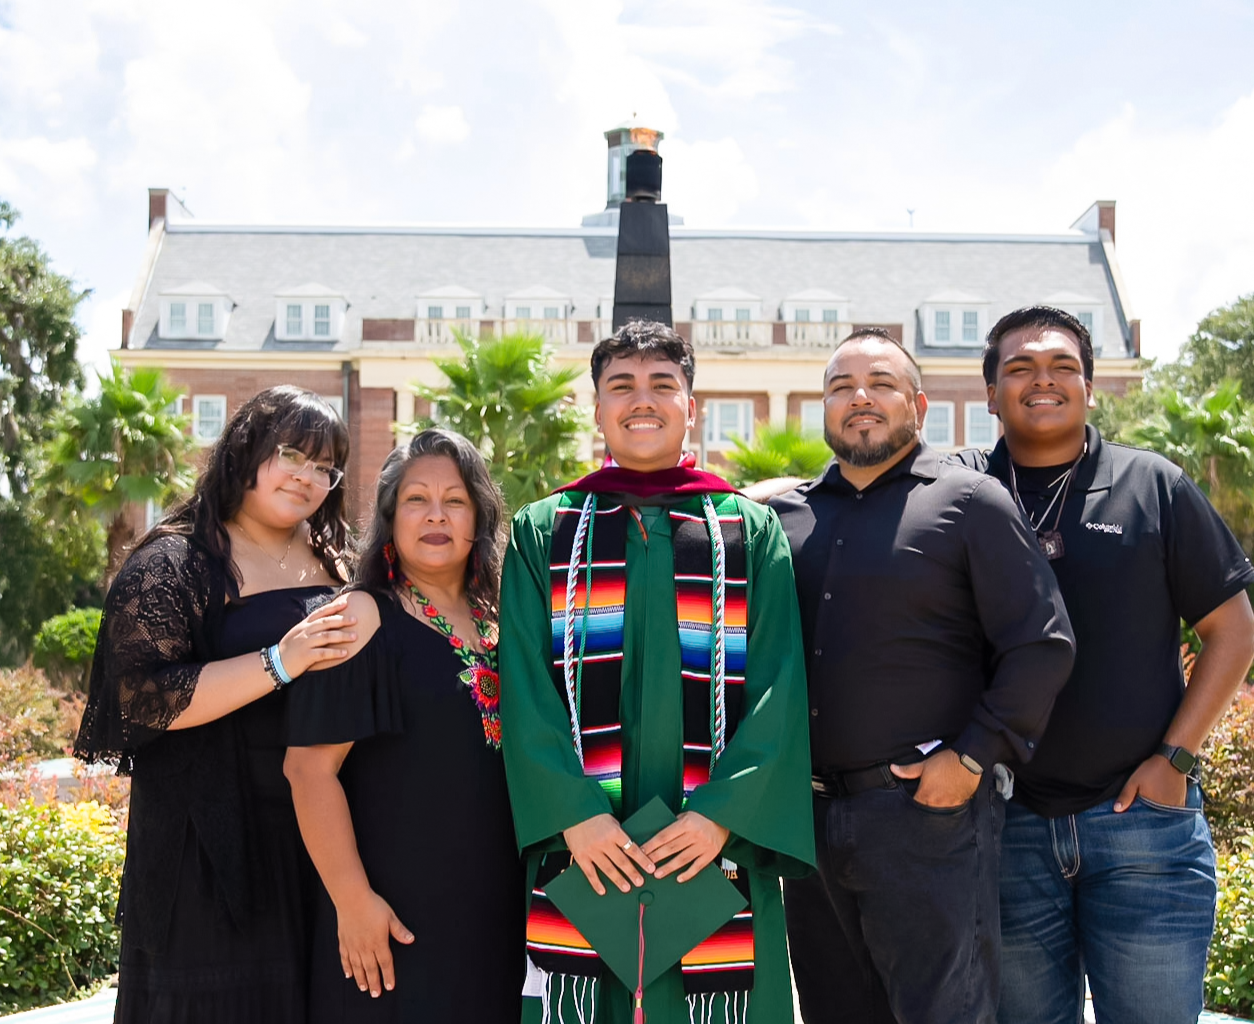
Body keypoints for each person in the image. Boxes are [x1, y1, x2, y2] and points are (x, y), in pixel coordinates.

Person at [499, 320, 815, 1024]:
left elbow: (779, 688)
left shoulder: (743, 529)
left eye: (661, 385)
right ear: (597, 406)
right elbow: (523, 687)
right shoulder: (545, 530)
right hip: (583, 848)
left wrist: (718, 818)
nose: (641, 401)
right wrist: (573, 816)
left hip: (709, 847)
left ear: (690, 405)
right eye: (621, 386)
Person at [956, 306, 1254, 1024]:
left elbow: (1233, 633)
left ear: (1089, 387)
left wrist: (1173, 763)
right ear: (990, 392)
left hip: (1141, 824)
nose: (1043, 380)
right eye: (1020, 368)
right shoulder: (955, 493)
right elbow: (847, 489)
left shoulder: (1151, 485)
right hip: (1005, 825)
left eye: (1062, 366)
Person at [769, 327, 1076, 1024]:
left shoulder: (971, 502)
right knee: (832, 1011)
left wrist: (971, 756)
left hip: (925, 818)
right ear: (823, 408)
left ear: (919, 403)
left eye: (879, 383)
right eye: (841, 387)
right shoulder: (782, 519)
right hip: (808, 823)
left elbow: (1042, 644)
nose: (860, 399)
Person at [74, 385, 357, 1024]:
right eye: (293, 455)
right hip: (211, 844)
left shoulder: (338, 561)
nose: (309, 477)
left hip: (323, 833)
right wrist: (282, 660)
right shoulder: (176, 560)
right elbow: (142, 697)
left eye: (324, 467)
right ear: (247, 451)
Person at [284, 428, 524, 1023]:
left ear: (480, 518)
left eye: (455, 500)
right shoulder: (360, 616)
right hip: (389, 923)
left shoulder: (505, 621)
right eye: (417, 499)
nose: (436, 515)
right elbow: (308, 771)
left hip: (492, 918)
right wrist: (353, 900)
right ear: (391, 517)